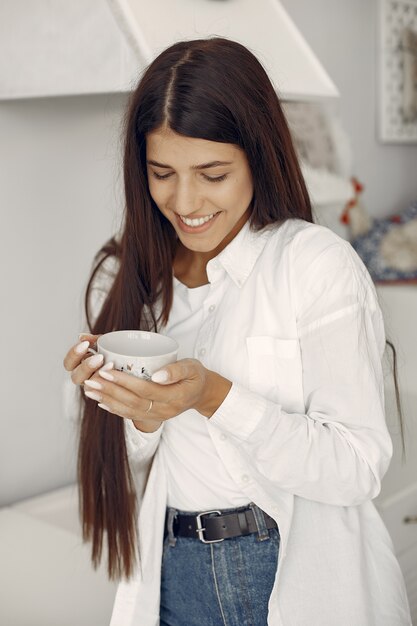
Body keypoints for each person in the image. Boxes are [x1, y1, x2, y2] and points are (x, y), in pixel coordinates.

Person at [63, 37, 412, 626]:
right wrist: (139, 413)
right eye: (161, 173)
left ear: (258, 155)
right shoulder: (129, 276)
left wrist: (213, 396)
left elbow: (357, 467)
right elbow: (131, 457)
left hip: (281, 569)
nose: (185, 200)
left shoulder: (314, 265)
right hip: (171, 570)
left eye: (213, 173)